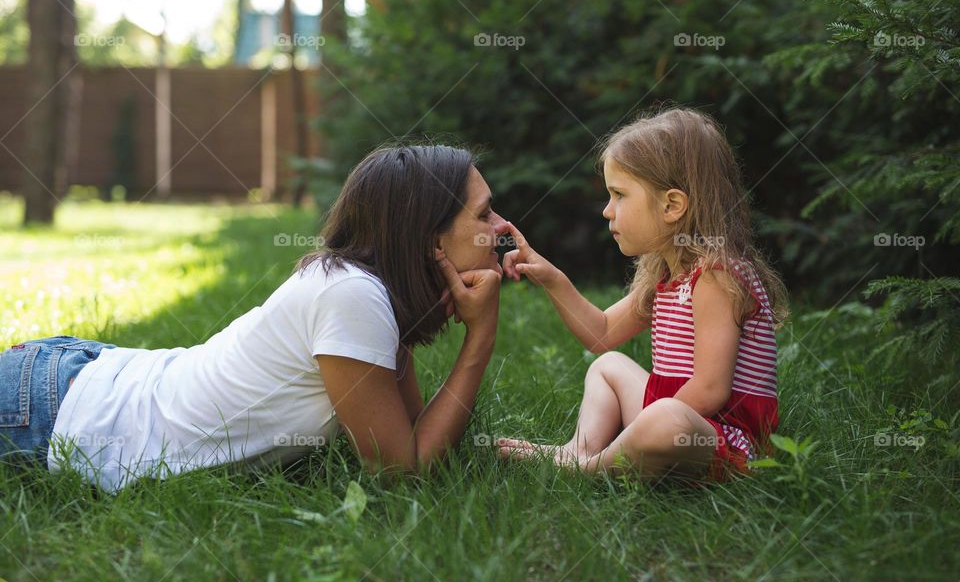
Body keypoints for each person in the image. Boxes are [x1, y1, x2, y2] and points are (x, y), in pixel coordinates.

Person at [0, 145, 508, 492]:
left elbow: (418, 433)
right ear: (429, 236)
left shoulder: (364, 290)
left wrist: (530, 452)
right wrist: (480, 337)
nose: (503, 227)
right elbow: (401, 472)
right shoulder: (353, 296)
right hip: (53, 412)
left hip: (79, 374)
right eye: (484, 214)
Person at [497, 107, 789, 484]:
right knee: (609, 366)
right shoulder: (667, 276)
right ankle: (579, 450)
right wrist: (554, 280)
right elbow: (601, 334)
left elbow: (711, 391)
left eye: (619, 195)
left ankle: (585, 468)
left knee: (664, 421)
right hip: (669, 422)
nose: (607, 211)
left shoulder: (717, 277)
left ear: (672, 206)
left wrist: (644, 427)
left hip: (723, 443)